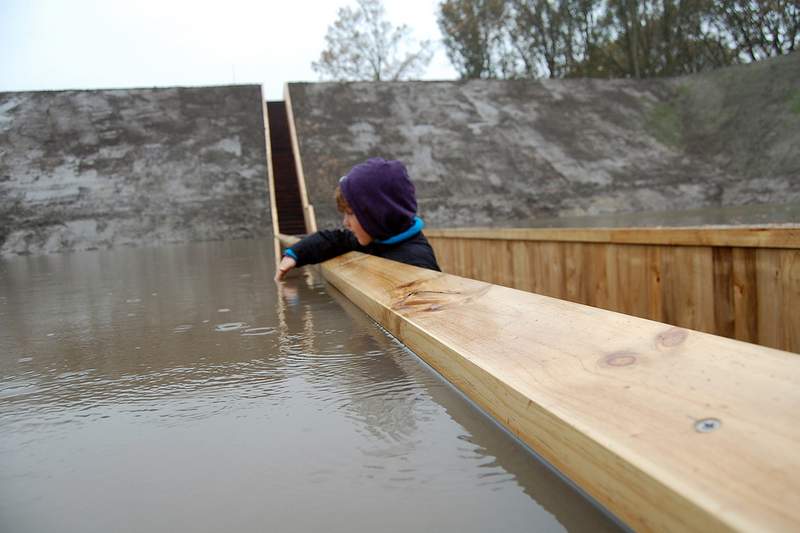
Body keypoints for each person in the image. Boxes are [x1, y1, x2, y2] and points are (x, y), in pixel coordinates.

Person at [274, 157, 440, 281]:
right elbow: (333, 239)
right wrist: (294, 255)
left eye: (351, 213)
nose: (345, 222)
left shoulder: (416, 263)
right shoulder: (376, 238)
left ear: (377, 214)